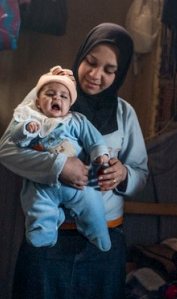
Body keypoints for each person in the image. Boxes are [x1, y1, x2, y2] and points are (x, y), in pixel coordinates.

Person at [0, 23, 148, 299]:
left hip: (104, 243)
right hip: (49, 240)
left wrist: (124, 176)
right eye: (90, 62)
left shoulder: (124, 113)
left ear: (121, 73)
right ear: (79, 57)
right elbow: (8, 151)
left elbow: (141, 171)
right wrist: (58, 167)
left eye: (109, 69)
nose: (96, 75)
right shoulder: (49, 95)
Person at [7, 65, 112, 251]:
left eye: (64, 96)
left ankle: (98, 232)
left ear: (70, 104)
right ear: (38, 102)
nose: (57, 98)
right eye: (50, 94)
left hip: (78, 181)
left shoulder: (76, 120)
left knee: (92, 203)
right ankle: (43, 231)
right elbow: (15, 140)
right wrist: (25, 129)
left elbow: (94, 139)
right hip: (43, 183)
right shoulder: (32, 119)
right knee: (36, 204)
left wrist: (100, 155)